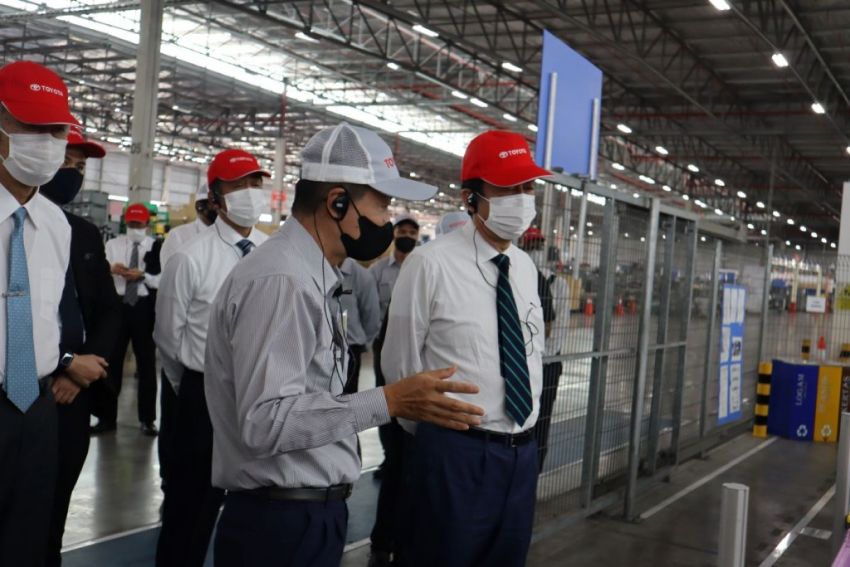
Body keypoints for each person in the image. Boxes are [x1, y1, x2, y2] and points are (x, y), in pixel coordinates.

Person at [204, 122, 484, 567]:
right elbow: (264, 422)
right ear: (337, 202)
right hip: (279, 525)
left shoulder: (314, 275)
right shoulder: (284, 282)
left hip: (304, 514)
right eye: (382, 203)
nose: (386, 220)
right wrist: (389, 401)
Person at [382, 129, 552, 567]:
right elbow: (400, 365)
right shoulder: (429, 264)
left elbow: (530, 349)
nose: (522, 197)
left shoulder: (524, 266)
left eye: (527, 187)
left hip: (521, 455)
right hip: (455, 455)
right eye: (508, 187)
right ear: (471, 198)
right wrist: (441, 442)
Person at [154, 149, 270, 567]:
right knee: (190, 505)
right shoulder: (190, 257)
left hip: (260, 394)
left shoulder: (272, 252)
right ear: (216, 197)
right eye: (239, 185)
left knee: (256, 503)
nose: (250, 193)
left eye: (256, 183)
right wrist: (189, 388)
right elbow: (168, 337)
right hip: (202, 396)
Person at [0, 60, 76, 567]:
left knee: (27, 541)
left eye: (57, 129)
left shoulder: (55, 224)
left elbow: (46, 316)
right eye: (31, 126)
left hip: (37, 409)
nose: (47, 141)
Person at [39, 129, 120, 567]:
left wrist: (81, 370)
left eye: (80, 166)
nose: (73, 172)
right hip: (21, 387)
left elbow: (108, 311)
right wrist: (61, 365)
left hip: (72, 396)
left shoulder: (83, 234)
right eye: (65, 160)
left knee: (53, 514)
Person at [156, 184, 216, 492]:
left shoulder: (249, 243)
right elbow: (172, 302)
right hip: (185, 359)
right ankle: (170, 478)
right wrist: (179, 373)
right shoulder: (181, 240)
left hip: (224, 370)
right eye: (205, 204)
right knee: (175, 427)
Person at [98, 203, 160, 435]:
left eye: (139, 224)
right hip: (117, 306)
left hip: (144, 309)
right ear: (126, 223)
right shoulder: (112, 245)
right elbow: (98, 270)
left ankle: (148, 419)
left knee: (146, 365)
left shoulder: (157, 247)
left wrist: (143, 275)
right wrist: (111, 269)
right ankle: (106, 417)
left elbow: (164, 279)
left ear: (147, 224)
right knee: (111, 363)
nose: (135, 227)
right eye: (132, 224)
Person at [519, 227, 562, 470]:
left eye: (538, 245)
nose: (536, 250)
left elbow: (555, 328)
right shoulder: (515, 273)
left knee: (538, 425)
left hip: (544, 363)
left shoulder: (555, 284)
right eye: (532, 245)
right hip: (530, 362)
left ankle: (531, 477)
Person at [340, 257, 381, 394]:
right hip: (316, 347)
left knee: (345, 399)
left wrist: (364, 343)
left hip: (350, 348)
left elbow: (371, 315)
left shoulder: (361, 276)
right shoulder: (313, 268)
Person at [158, 184, 216, 268]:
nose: (219, 208)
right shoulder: (178, 236)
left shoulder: (229, 235)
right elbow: (170, 274)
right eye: (213, 203)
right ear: (199, 207)